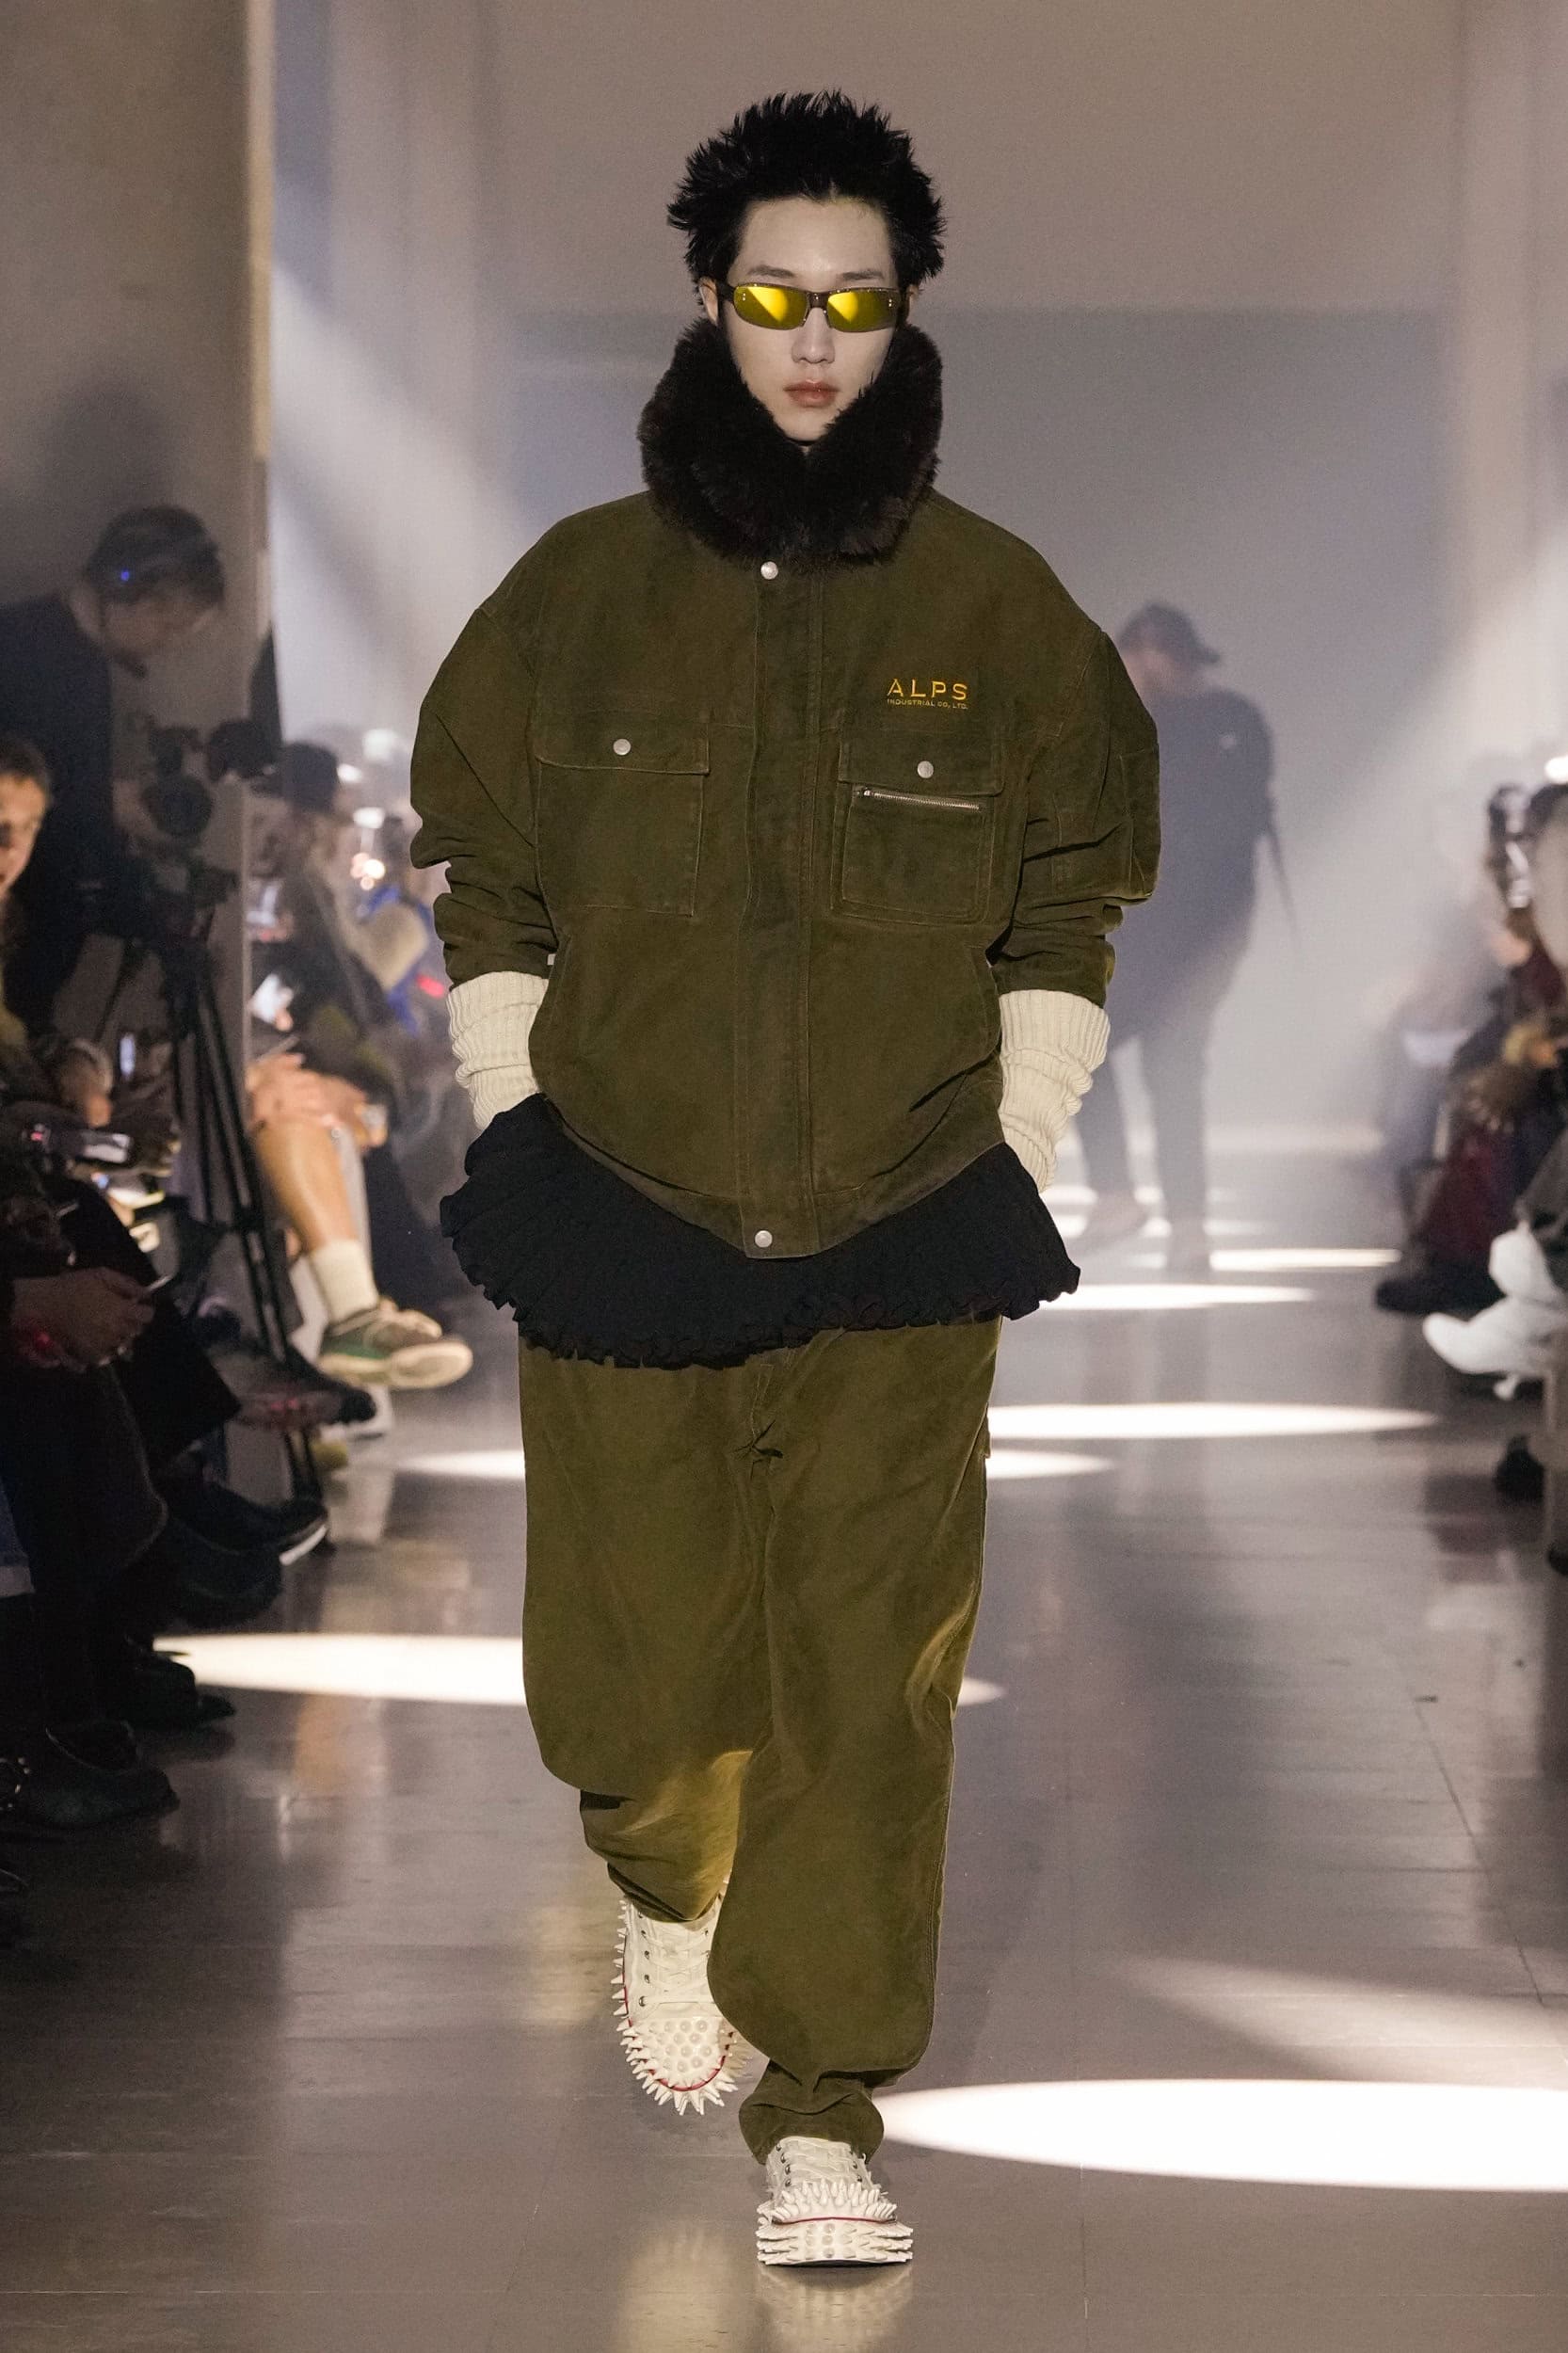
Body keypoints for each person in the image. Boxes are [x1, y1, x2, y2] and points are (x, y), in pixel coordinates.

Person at [410, 90, 1159, 2266]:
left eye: (854, 301)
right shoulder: (574, 599)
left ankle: (821, 2104)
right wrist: (512, 1114)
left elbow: (1063, 904)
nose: (813, 341)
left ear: (905, 312)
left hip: (906, 1215)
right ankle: (667, 1881)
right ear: (708, 298)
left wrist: (1017, 1138)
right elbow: (490, 882)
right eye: (774, 296)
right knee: (636, 1689)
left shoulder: (998, 606)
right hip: (619, 1200)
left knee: (870, 1675)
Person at [1073, 602, 1273, 1273]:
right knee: (1153, 1068)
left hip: (1186, 937)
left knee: (1112, 1052)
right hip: (1170, 936)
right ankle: (1174, 1222)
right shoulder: (1206, 722)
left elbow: (1209, 831)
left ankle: (1135, 1205)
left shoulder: (1213, 724)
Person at [0, 507, 226, 1030]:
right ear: (136, 595)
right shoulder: (33, 653)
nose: (168, 645)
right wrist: (110, 808)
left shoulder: (68, 655)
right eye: (170, 626)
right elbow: (49, 809)